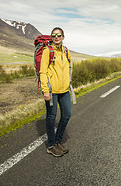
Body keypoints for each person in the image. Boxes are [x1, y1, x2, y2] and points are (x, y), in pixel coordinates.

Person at [39, 27, 72, 157]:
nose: (56, 37)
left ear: (63, 37)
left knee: (67, 115)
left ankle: (58, 141)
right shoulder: (48, 51)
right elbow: (43, 72)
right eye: (53, 35)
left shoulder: (66, 51)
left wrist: (69, 82)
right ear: (51, 37)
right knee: (51, 117)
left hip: (64, 90)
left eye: (59, 35)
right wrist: (45, 91)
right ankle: (51, 145)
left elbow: (69, 67)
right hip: (52, 91)